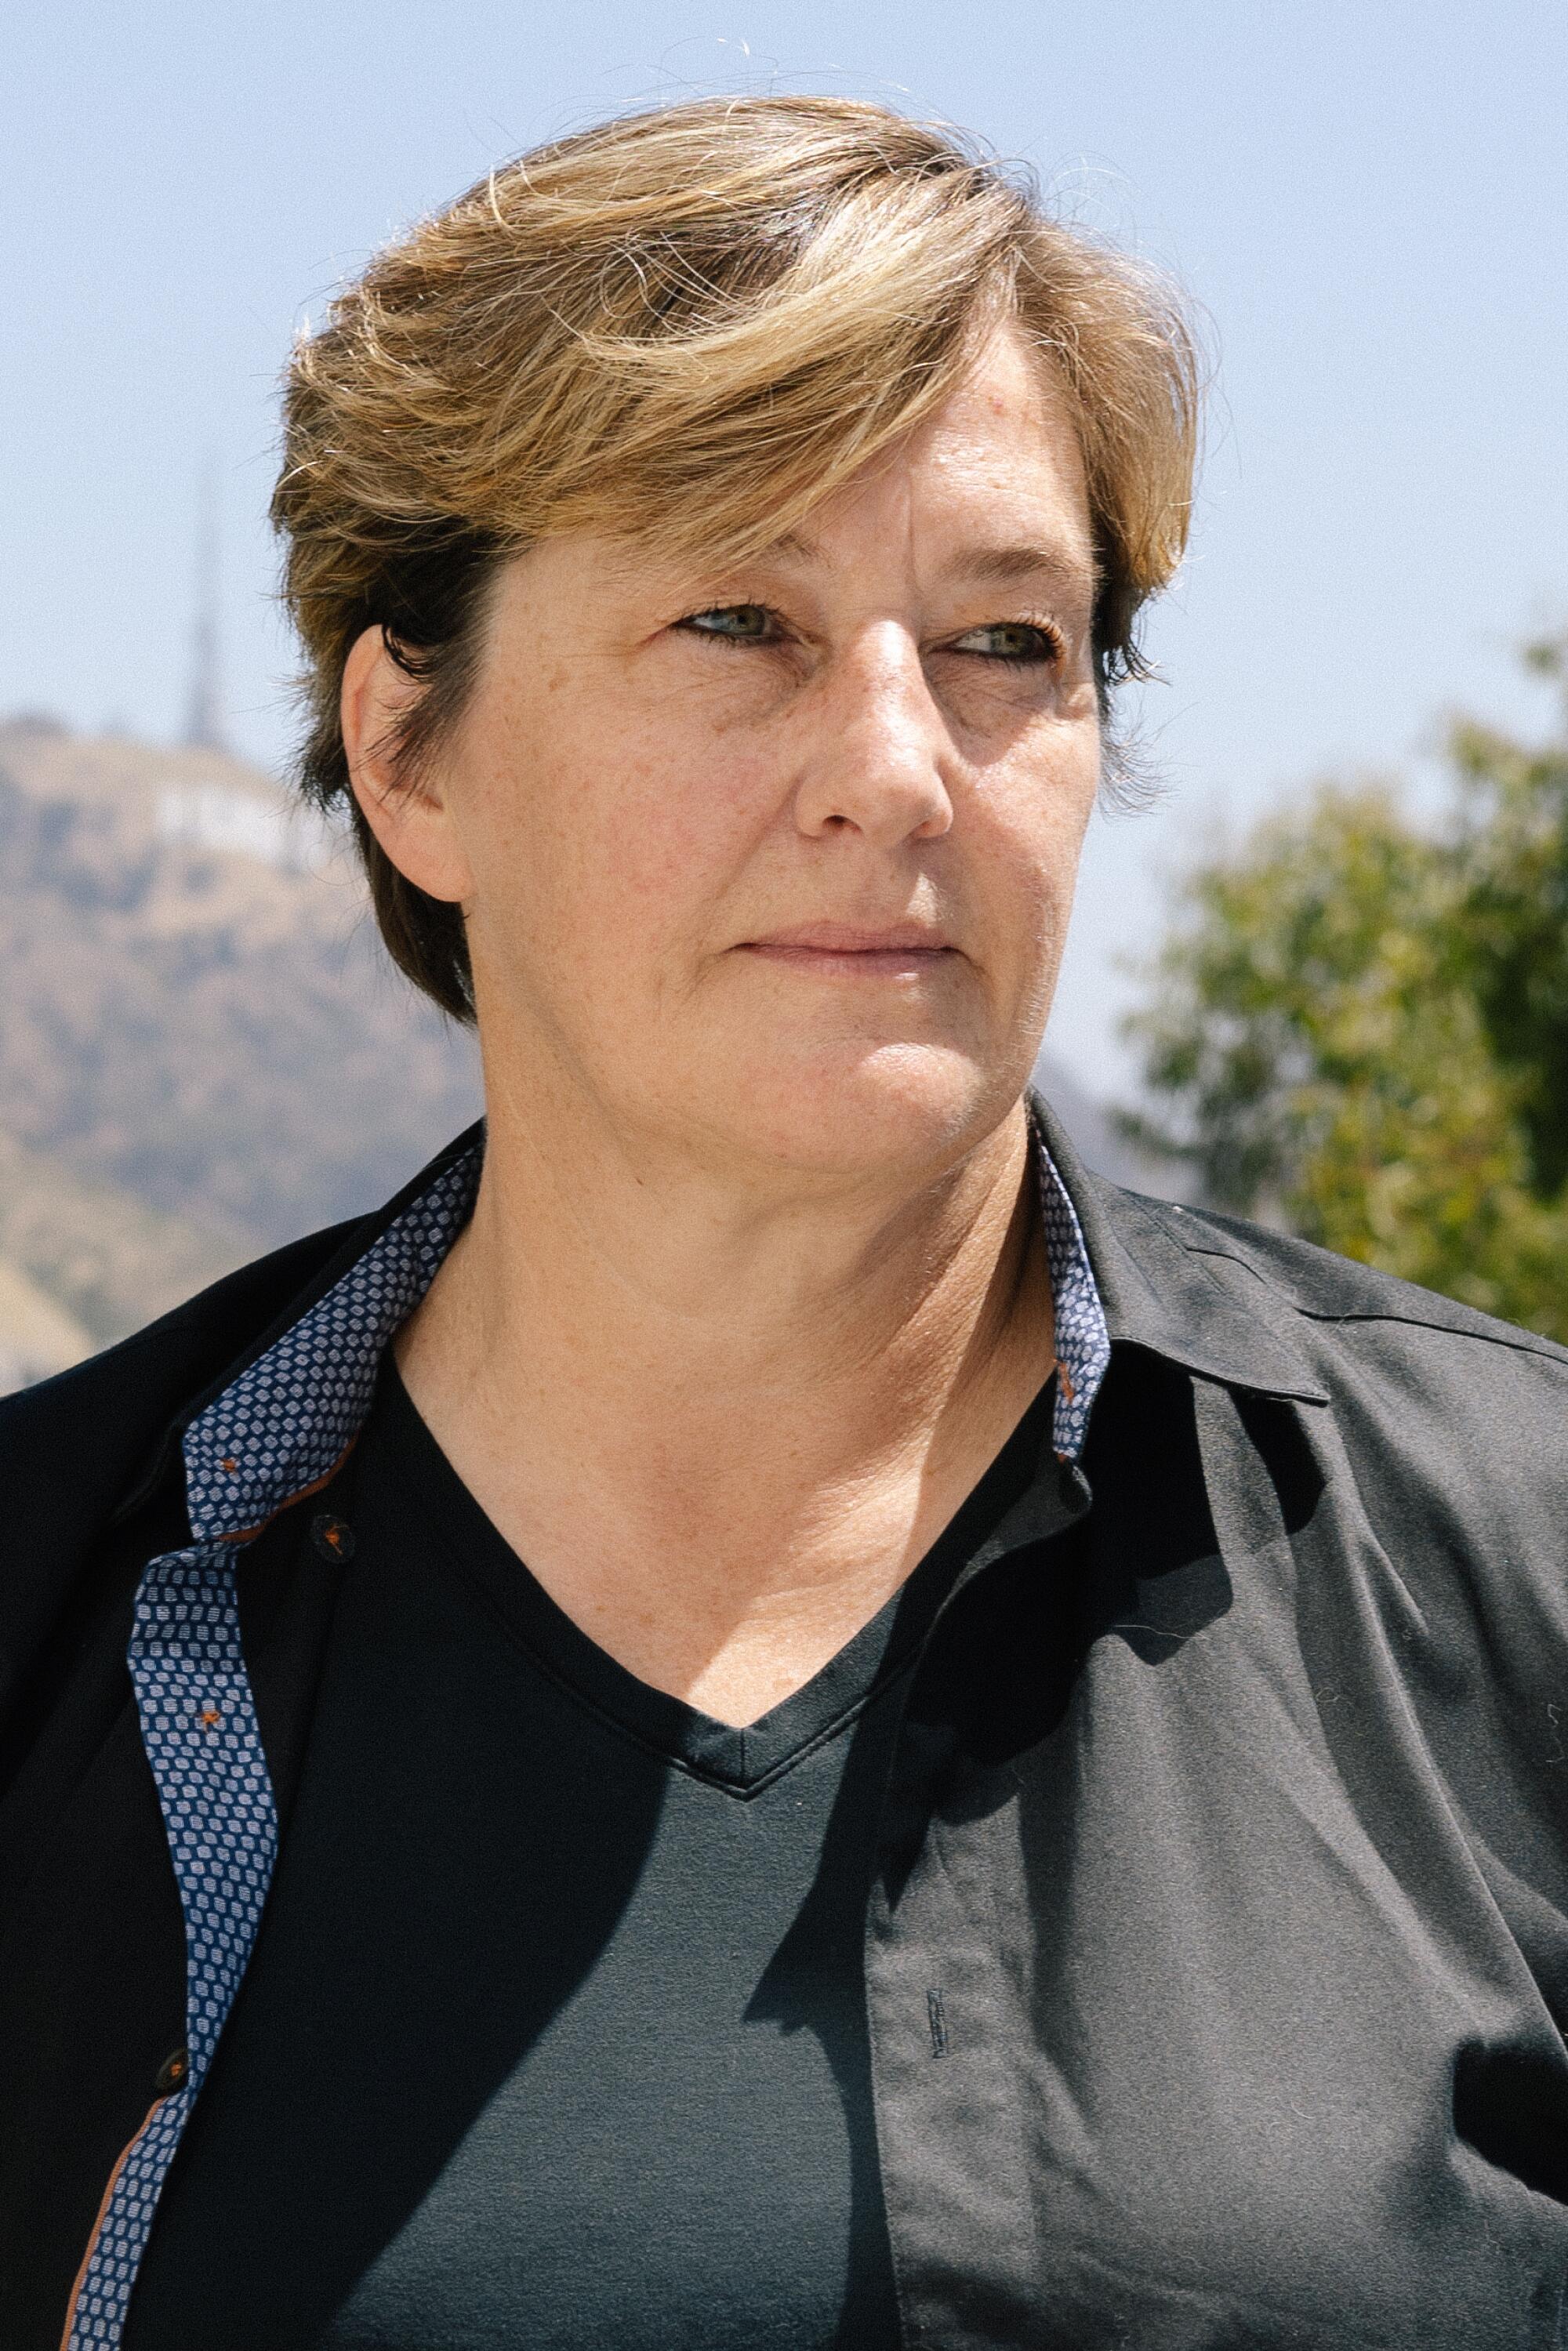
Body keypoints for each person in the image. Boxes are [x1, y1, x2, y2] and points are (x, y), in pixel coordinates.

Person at [3, 93, 1566, 2351]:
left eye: (1008, 640)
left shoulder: (1506, 1572)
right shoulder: (50, 1619)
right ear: (411, 753)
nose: (902, 761)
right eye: (741, 616)